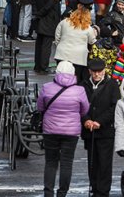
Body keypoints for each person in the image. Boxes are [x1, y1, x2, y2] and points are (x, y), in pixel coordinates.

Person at [37, 61, 89, 197]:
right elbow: (85, 110)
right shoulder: (79, 90)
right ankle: (62, 193)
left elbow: (40, 107)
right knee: (67, 163)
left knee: (50, 162)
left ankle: (48, 193)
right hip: (71, 132)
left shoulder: (47, 87)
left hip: (50, 130)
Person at [80, 59, 120, 197]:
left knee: (104, 163)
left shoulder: (112, 84)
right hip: (89, 130)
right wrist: (86, 120)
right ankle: (94, 188)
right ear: (90, 71)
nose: (97, 74)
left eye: (99, 71)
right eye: (94, 72)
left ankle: (102, 192)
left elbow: (114, 107)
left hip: (105, 131)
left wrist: (99, 121)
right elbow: (79, 106)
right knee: (92, 162)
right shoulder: (83, 85)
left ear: (104, 70)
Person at [54, 0, 96, 81]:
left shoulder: (64, 22)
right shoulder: (88, 28)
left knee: (60, 78)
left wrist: (60, 45)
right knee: (75, 80)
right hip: (79, 57)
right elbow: (92, 41)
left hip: (62, 53)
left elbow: (57, 37)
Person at [32, 0, 61, 74]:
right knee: (46, 44)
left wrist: (38, 14)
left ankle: (38, 65)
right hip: (49, 19)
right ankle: (44, 66)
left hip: (41, 19)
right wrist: (40, 14)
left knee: (39, 43)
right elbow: (50, 5)